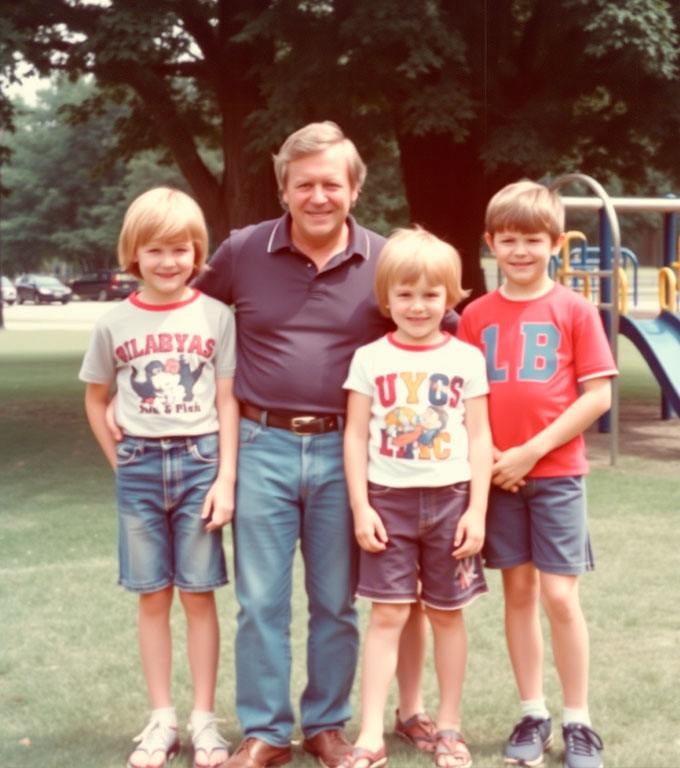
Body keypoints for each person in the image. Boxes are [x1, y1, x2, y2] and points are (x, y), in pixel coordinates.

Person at [190, 122, 455, 768]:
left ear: (355, 188)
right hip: (260, 444)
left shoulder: (388, 259)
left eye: (331, 183)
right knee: (261, 599)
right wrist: (113, 393)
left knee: (336, 599)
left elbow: (446, 338)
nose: (318, 196)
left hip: (350, 455)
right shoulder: (242, 251)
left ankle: (327, 726)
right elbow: (183, 318)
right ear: (283, 188)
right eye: (303, 183)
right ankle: (266, 731)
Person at [457, 180, 617, 768]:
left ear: (554, 242)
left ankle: (579, 720)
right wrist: (499, 458)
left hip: (554, 474)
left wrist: (530, 451)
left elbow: (595, 396)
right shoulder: (474, 315)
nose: (519, 251)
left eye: (531, 239)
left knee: (559, 596)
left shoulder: (575, 310)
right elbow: (467, 395)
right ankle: (533, 712)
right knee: (518, 593)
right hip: (498, 476)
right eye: (507, 240)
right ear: (490, 244)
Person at [80, 187, 238, 768]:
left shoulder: (215, 316)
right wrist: (118, 461)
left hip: (199, 465)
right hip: (140, 467)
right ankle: (161, 719)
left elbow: (227, 403)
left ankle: (204, 722)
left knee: (198, 596)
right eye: (155, 251)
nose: (168, 262)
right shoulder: (114, 321)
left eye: (180, 249)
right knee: (153, 597)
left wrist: (225, 478)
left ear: (197, 253)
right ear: (134, 254)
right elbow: (96, 400)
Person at [341, 227, 492, 768]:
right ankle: (370, 734)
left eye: (431, 294)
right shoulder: (369, 358)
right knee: (387, 615)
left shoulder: (467, 359)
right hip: (388, 500)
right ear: (386, 299)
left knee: (447, 614)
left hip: (451, 501)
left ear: (451, 297)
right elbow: (355, 435)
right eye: (405, 294)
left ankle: (448, 726)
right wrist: (361, 507)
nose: (418, 306)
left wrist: (477, 510)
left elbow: (479, 437)